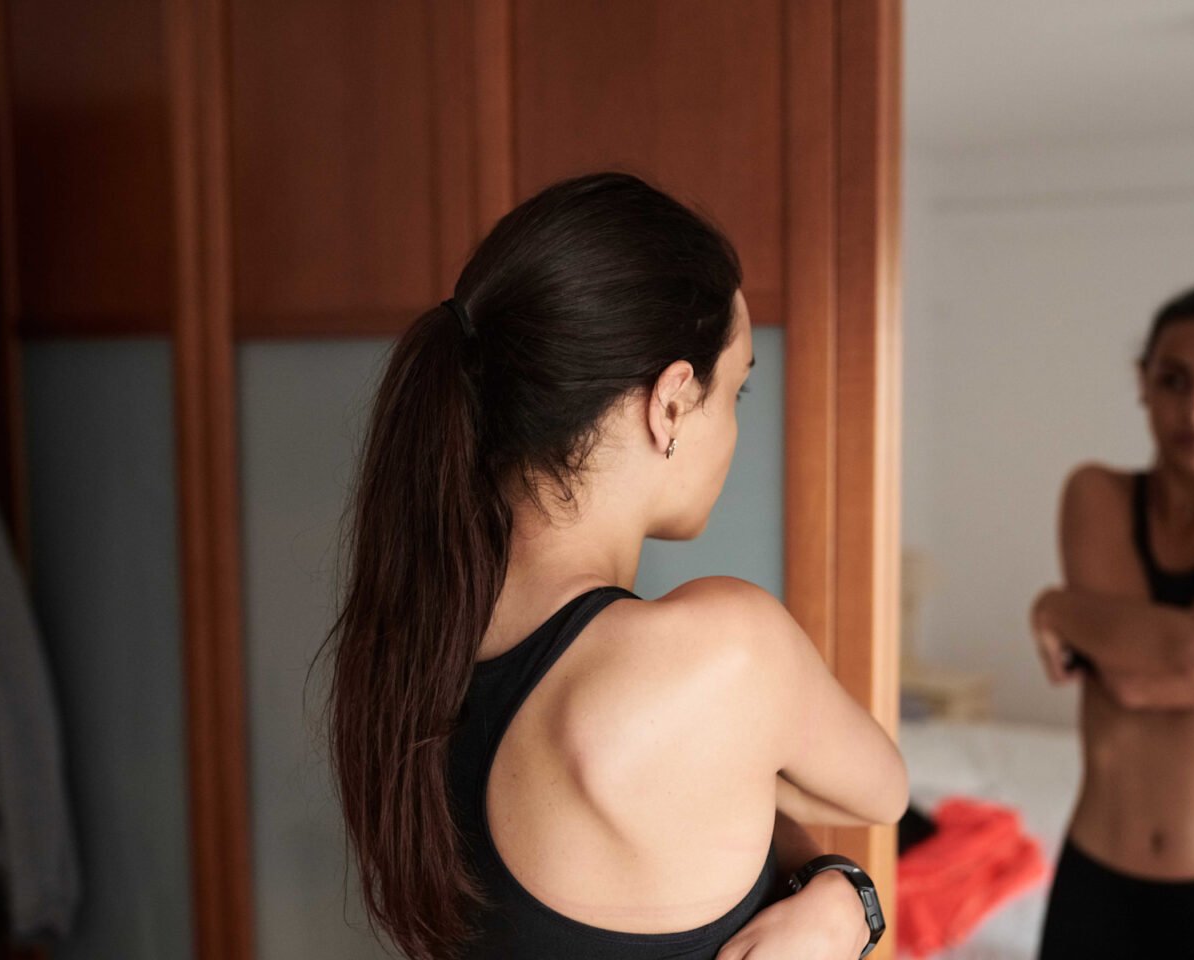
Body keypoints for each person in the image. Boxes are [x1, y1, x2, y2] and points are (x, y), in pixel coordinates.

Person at [324, 172, 907, 960]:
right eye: (734, 391)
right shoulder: (720, 651)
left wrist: (836, 892)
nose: (733, 427)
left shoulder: (415, 648)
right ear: (670, 402)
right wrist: (849, 895)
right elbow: (883, 791)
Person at [1030, 279, 1194, 959]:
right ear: (1143, 382)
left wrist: (1059, 607)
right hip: (1099, 887)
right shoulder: (1098, 493)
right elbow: (1130, 681)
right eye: (1173, 379)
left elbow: (1192, 652)